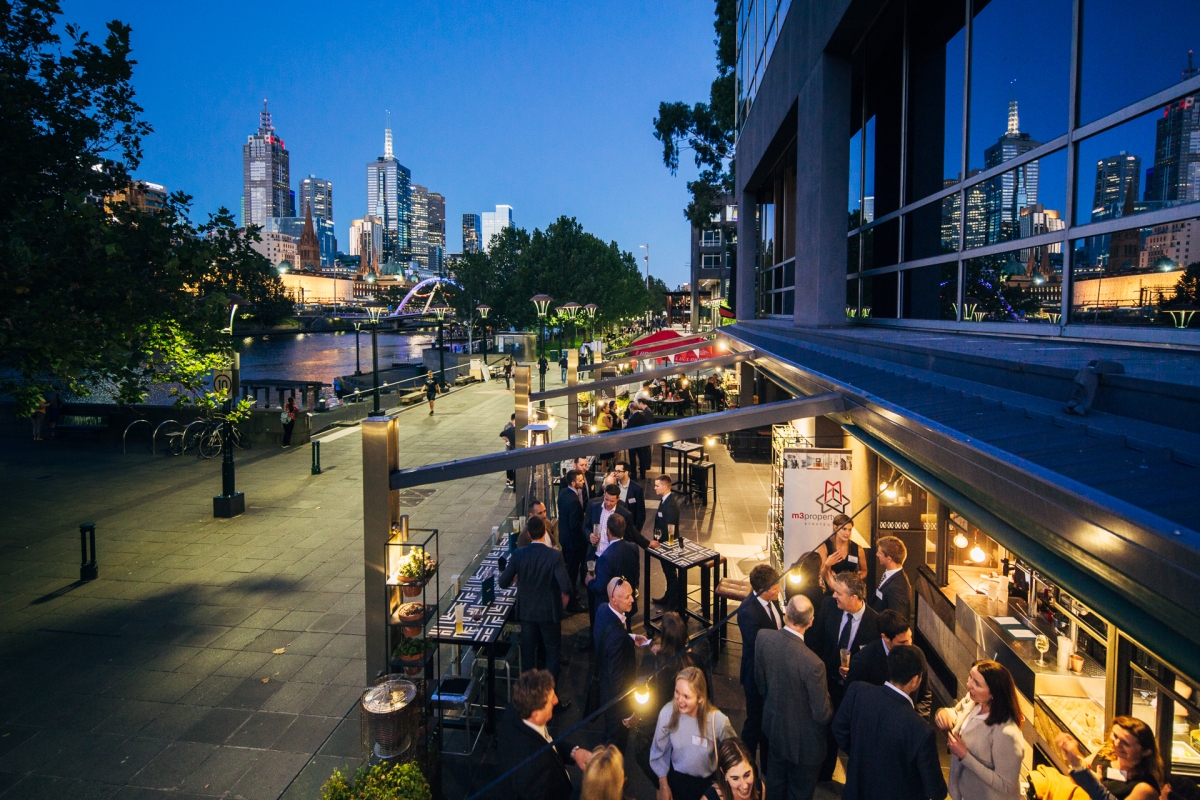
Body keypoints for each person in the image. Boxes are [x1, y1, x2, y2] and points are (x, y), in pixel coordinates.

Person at [833, 645, 946, 800]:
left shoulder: (858, 691)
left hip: (857, 790)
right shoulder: (921, 730)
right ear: (915, 680)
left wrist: (858, 752)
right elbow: (936, 790)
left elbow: (838, 727)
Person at [754, 595, 830, 800]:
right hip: (805, 745)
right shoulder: (814, 664)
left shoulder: (763, 638)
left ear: (786, 612)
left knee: (775, 788)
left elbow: (760, 684)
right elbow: (822, 714)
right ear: (810, 622)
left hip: (775, 730)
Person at [806, 571, 879, 781]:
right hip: (828, 684)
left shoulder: (874, 623)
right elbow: (816, 642)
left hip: (854, 691)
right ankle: (824, 775)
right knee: (825, 731)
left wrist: (853, 671)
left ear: (854, 598)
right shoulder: (829, 607)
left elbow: (874, 663)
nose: (834, 596)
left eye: (839, 593)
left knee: (852, 736)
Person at [933, 659, 1026, 800]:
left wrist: (965, 756)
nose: (968, 684)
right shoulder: (974, 702)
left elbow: (1006, 785)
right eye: (971, 677)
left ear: (993, 693)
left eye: (977, 684)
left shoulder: (1006, 732)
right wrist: (944, 713)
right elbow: (957, 713)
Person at [496, 669, 593, 800]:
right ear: (535, 714)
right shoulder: (535, 771)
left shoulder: (517, 709)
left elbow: (545, 741)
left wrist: (574, 752)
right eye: (550, 698)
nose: (556, 700)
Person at [498, 516, 572, 688]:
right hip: (549, 613)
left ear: (529, 534)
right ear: (545, 531)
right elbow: (565, 585)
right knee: (552, 653)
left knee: (528, 653)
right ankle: (550, 695)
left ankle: (528, 693)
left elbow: (503, 583)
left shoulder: (518, 554)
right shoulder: (555, 556)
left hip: (527, 613)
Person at [650, 667, 735, 800]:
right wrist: (664, 786)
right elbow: (658, 752)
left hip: (707, 785)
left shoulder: (718, 721)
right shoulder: (667, 713)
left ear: (700, 698)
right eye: (677, 692)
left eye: (686, 696)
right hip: (677, 782)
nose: (679, 700)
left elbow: (735, 754)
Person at [844, 609, 932, 719]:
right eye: (902, 642)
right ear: (885, 637)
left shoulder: (918, 655)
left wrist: (917, 723)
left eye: (910, 638)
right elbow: (853, 701)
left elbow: (925, 696)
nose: (909, 645)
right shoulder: (863, 661)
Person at [595, 577, 649, 748]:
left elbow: (610, 639)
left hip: (603, 684)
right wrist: (627, 713)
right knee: (615, 739)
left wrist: (630, 638)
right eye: (627, 597)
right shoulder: (618, 639)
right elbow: (618, 682)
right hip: (615, 699)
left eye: (632, 594)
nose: (632, 599)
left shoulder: (603, 610)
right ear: (614, 600)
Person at [738, 564, 783, 769]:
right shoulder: (748, 612)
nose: (779, 590)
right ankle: (746, 762)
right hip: (756, 676)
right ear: (763, 590)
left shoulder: (771, 602)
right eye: (775, 588)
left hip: (772, 674)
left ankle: (766, 764)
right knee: (755, 722)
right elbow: (759, 648)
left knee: (768, 722)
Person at [1055, 717, 1163, 800]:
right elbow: (1075, 775)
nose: (1116, 744)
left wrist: (1093, 782)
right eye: (1115, 736)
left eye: (1125, 743)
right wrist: (1071, 753)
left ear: (1146, 751)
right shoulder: (1105, 752)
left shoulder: (1145, 789)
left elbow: (1081, 772)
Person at [558, 469, 589, 613]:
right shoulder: (574, 502)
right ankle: (571, 603)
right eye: (580, 480)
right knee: (572, 572)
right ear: (573, 482)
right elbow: (575, 525)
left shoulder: (563, 493)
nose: (583, 481)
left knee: (569, 570)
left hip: (564, 539)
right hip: (573, 543)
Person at [651, 475, 682, 610]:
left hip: (667, 546)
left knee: (671, 574)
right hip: (662, 543)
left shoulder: (670, 506)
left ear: (665, 487)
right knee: (667, 573)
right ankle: (668, 596)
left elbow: (671, 529)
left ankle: (673, 603)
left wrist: (666, 547)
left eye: (657, 485)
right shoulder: (664, 500)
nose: (654, 488)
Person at [816, 514, 868, 590]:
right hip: (832, 590)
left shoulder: (858, 548)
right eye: (844, 529)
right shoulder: (824, 546)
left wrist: (858, 577)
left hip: (850, 589)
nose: (847, 533)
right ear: (835, 527)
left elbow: (864, 570)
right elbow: (822, 575)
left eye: (850, 530)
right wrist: (827, 565)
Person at [871, 536, 912, 619]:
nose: (877, 554)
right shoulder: (889, 575)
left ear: (889, 559)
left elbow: (897, 620)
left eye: (879, 553)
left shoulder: (898, 587)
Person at [588, 483, 633, 559]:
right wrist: (590, 535)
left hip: (614, 557)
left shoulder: (625, 514)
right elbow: (586, 526)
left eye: (612, 501)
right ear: (604, 495)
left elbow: (628, 537)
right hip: (594, 554)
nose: (608, 503)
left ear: (618, 499)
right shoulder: (594, 507)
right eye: (606, 499)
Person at [613, 460, 647, 533]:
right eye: (615, 471)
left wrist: (636, 532)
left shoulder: (637, 489)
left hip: (629, 529)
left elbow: (641, 513)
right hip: (614, 527)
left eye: (619, 471)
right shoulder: (613, 485)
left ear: (626, 472)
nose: (616, 474)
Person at [625, 401, 655, 479]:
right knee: (641, 457)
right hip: (640, 439)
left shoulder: (632, 418)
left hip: (633, 440)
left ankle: (634, 474)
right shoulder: (642, 416)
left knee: (632, 458)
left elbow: (629, 428)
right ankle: (642, 473)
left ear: (631, 408)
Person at [500, 413, 517, 490]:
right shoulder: (509, 427)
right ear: (513, 419)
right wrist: (508, 440)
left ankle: (509, 479)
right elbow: (503, 435)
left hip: (510, 448)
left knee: (510, 465)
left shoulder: (510, 426)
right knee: (511, 465)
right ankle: (510, 480)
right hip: (510, 449)